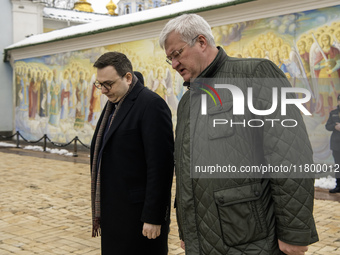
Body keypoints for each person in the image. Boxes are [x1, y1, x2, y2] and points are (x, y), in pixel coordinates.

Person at [159, 14, 318, 255]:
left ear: (201, 42)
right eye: (169, 58)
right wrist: (188, 231)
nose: (173, 64)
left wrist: (294, 232)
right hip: (203, 240)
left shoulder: (255, 74)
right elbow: (185, 171)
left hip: (253, 239)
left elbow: (290, 154)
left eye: (177, 53)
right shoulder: (186, 102)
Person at [90, 52, 174, 255]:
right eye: (99, 84)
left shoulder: (151, 105)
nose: (102, 90)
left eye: (108, 84)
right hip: (114, 214)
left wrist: (154, 217)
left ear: (128, 78)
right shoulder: (114, 104)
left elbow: (161, 167)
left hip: (138, 219)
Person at [325, 94, 340, 193]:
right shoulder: (333, 113)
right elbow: (327, 126)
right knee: (338, 165)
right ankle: (338, 185)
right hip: (336, 144)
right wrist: (335, 126)